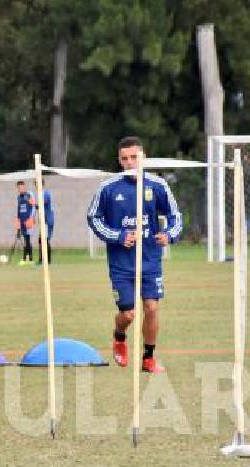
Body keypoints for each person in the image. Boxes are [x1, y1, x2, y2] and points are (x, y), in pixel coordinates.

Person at [85, 136, 182, 373]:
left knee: (152, 308)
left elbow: (175, 217)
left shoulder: (158, 185)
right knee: (128, 314)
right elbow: (93, 218)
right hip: (121, 264)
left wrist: (168, 234)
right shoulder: (108, 188)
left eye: (134, 157)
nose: (129, 162)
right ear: (119, 161)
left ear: (143, 157)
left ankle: (148, 358)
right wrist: (119, 236)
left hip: (150, 261)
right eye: (124, 158)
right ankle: (119, 336)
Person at [14, 181, 35, 264]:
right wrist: (18, 222)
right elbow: (18, 210)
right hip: (22, 221)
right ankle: (26, 259)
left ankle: (29, 259)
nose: (20, 189)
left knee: (28, 240)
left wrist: (31, 218)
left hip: (28, 221)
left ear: (24, 186)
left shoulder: (29, 194)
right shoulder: (19, 197)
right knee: (25, 240)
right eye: (18, 188)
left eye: (21, 187)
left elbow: (33, 207)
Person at [35, 187, 54, 265]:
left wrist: (33, 203)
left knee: (44, 240)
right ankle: (43, 260)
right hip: (43, 221)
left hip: (47, 221)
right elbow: (38, 206)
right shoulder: (40, 194)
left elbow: (43, 203)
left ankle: (45, 260)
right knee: (41, 240)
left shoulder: (45, 193)